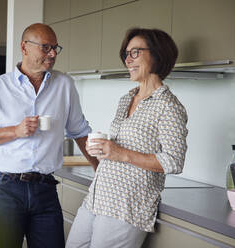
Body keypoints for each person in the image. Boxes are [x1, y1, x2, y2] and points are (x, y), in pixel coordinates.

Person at [0, 23, 98, 248]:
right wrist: (15, 131)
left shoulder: (64, 85)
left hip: (45, 189)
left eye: (55, 48)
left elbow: (80, 132)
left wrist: (101, 171)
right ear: (24, 47)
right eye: (46, 47)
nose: (53, 54)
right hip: (3, 188)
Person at [66, 28, 188, 248]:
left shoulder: (169, 107)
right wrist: (105, 151)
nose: (127, 60)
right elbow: (120, 149)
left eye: (135, 53)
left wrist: (119, 153)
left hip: (126, 207)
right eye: (126, 54)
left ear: (157, 54)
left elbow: (174, 161)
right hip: (97, 197)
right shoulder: (127, 98)